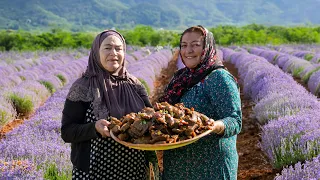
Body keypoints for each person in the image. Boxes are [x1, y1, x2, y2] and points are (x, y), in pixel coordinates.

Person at [61, 29, 158, 180]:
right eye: (107, 48)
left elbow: (151, 118)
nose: (114, 53)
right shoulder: (83, 87)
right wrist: (94, 127)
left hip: (134, 172)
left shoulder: (135, 84)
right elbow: (67, 131)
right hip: (94, 173)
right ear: (96, 51)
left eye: (119, 48)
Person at [158, 25, 242, 180]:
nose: (188, 50)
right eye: (184, 45)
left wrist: (215, 126)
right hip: (178, 167)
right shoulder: (180, 79)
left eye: (195, 45)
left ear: (207, 47)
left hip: (211, 167)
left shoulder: (218, 78)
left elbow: (234, 120)